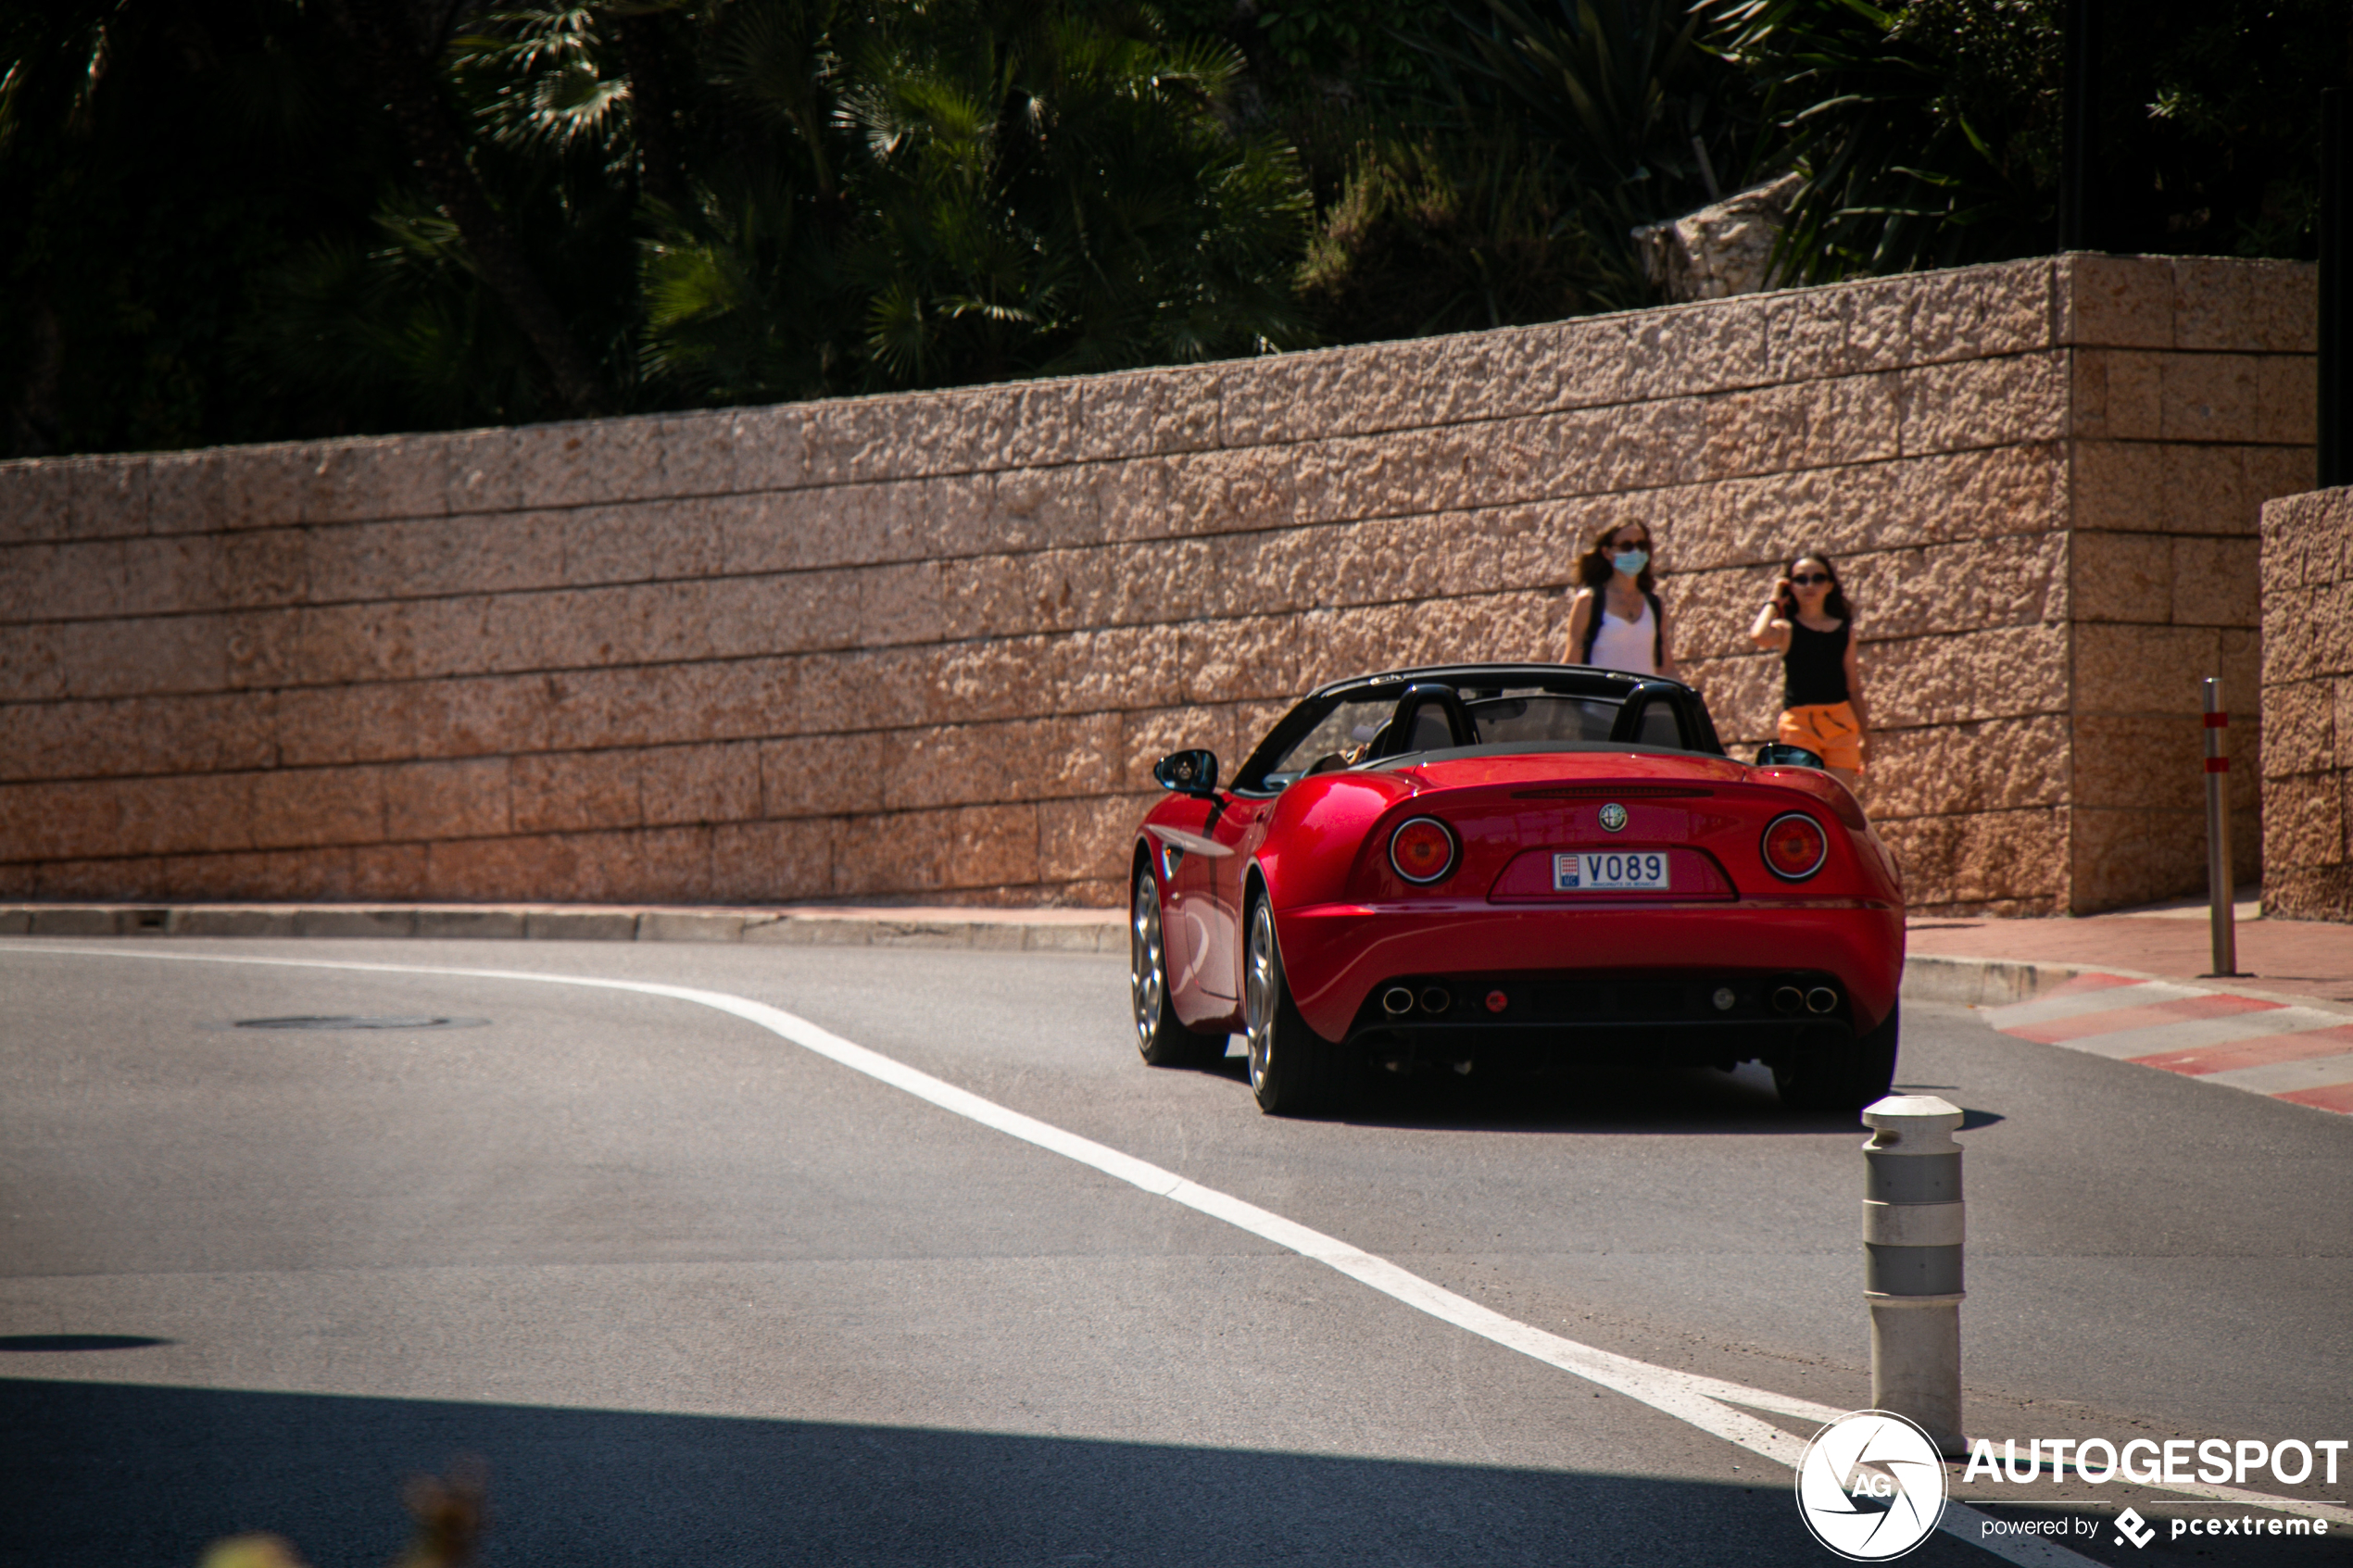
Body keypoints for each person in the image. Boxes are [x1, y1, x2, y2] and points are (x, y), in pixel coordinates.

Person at [1748, 552, 1870, 788]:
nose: (1809, 585)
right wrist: (1774, 601)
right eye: (1801, 579)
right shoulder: (1786, 628)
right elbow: (1758, 635)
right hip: (1799, 724)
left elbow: (1853, 685)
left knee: (1839, 800)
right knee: (1807, 796)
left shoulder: (1844, 630)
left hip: (1840, 722)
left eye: (1818, 578)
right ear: (1790, 587)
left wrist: (1866, 736)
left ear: (1830, 585)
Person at [1563, 521, 1678, 679]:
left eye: (1641, 545)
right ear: (1607, 552)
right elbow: (1571, 662)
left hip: (1641, 702)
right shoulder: (1589, 601)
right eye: (1626, 546)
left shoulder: (1654, 605)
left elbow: (1666, 668)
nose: (1635, 552)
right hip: (1602, 702)